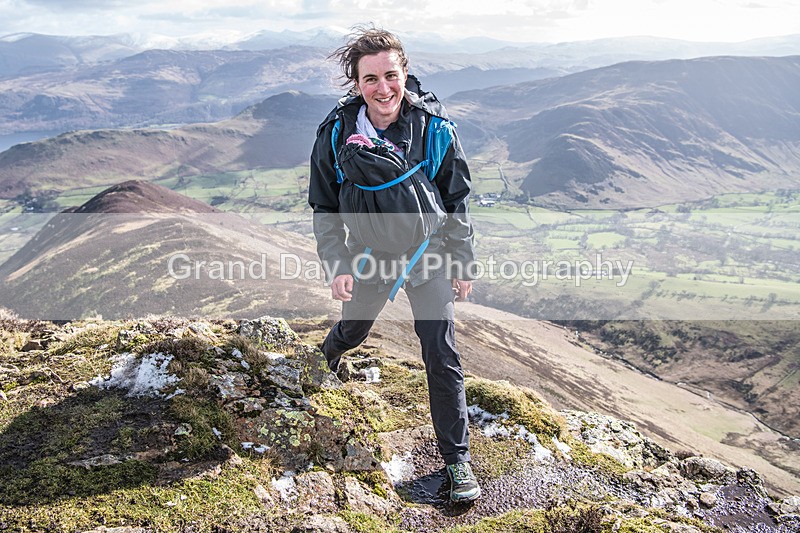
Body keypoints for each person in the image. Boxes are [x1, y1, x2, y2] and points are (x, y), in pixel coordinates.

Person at [308, 26, 480, 503]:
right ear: (356, 83)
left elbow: (456, 200)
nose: (383, 89)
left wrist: (462, 262)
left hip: (429, 254)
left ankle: (457, 462)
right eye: (370, 79)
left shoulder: (434, 129)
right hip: (369, 255)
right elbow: (325, 206)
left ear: (405, 74)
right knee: (354, 330)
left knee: (441, 353)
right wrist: (338, 264)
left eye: (390, 76)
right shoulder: (336, 134)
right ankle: (326, 357)